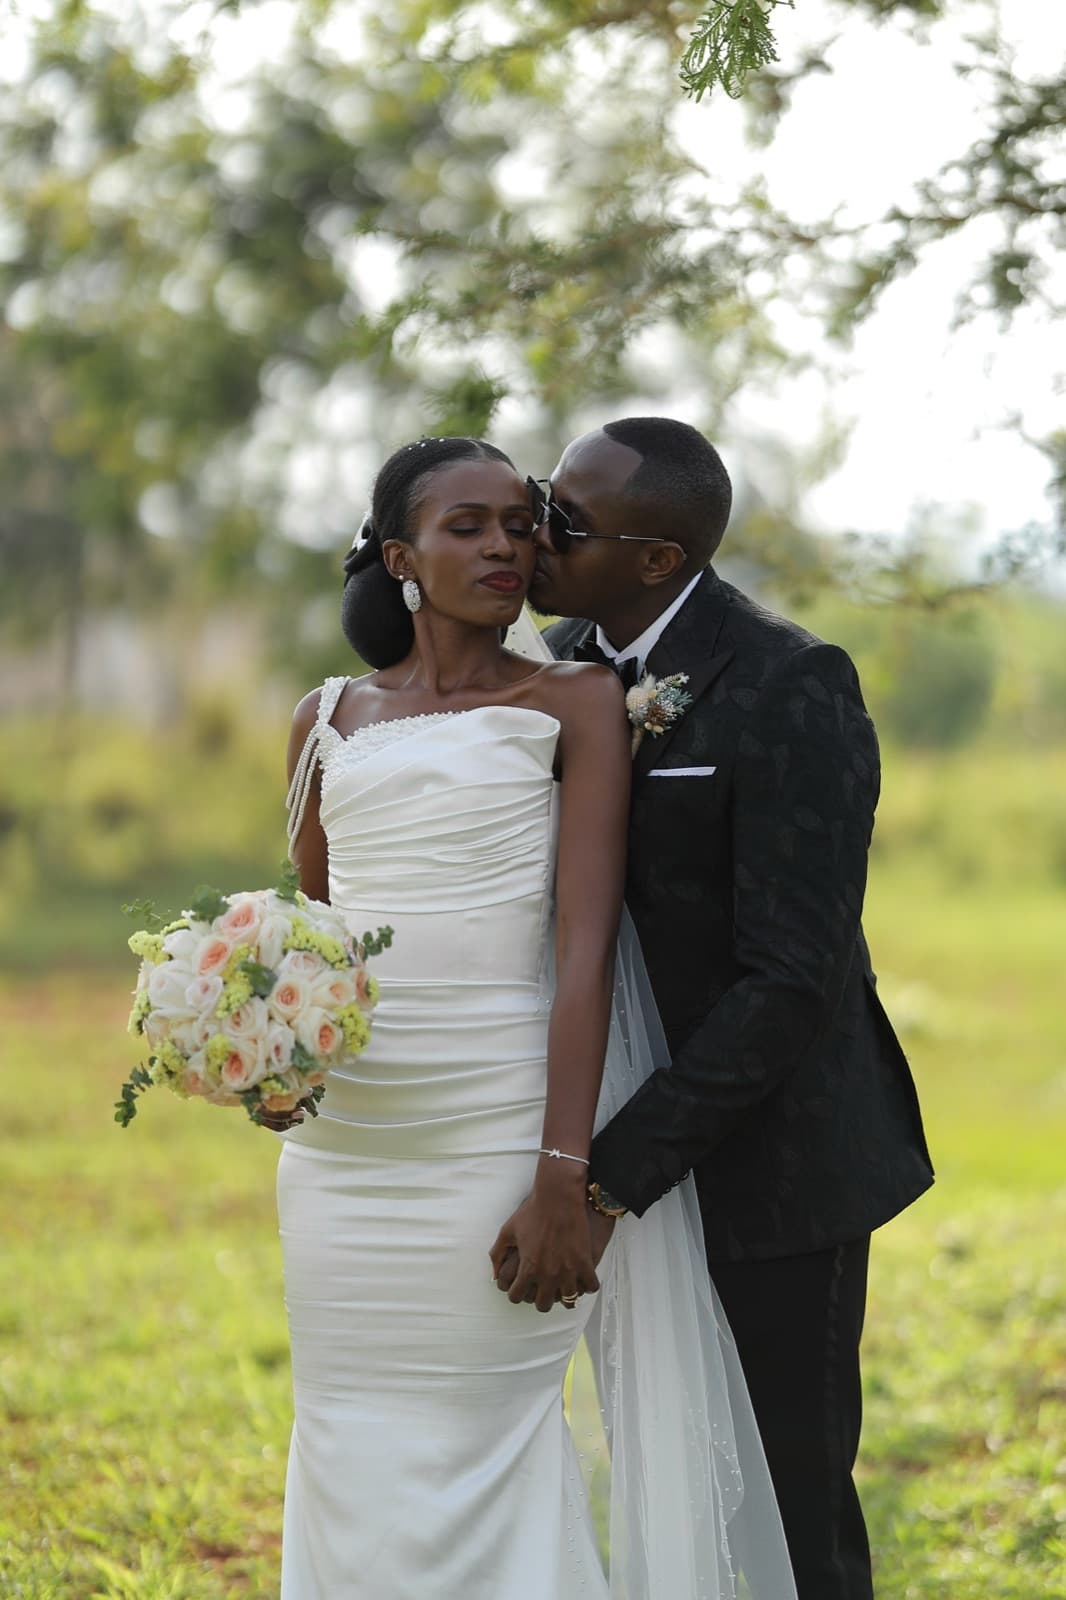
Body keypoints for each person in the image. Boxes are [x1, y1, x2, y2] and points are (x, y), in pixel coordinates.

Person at [274, 435, 797, 1599]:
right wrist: (272, 1065)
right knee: (349, 1435)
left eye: (520, 522)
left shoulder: (575, 697)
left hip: (496, 1124)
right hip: (347, 1150)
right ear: (401, 555)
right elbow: (303, 941)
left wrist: (567, 1168)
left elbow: (584, 946)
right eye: (469, 526)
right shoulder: (323, 717)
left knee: (483, 1438)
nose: (507, 545)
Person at [498, 416, 935, 1600]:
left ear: (657, 559)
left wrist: (601, 1173)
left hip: (775, 1166)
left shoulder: (793, 682)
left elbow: (790, 978)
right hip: (609, 1138)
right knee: (661, 1474)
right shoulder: (560, 661)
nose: (536, 531)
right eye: (543, 496)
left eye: (564, 520)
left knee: (790, 1498)